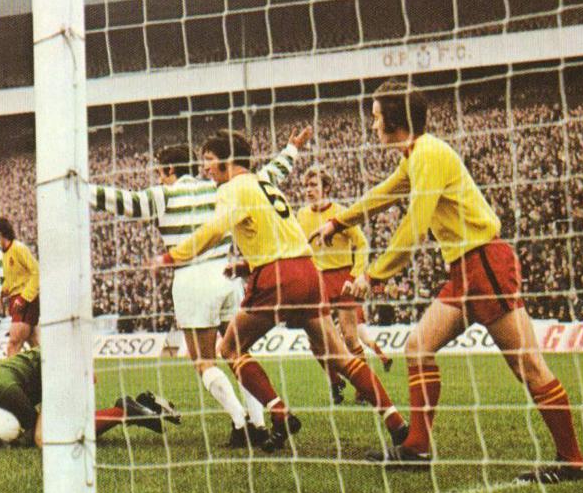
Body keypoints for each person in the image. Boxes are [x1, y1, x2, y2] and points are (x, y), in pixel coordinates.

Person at [311, 79, 583, 484]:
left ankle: (572, 461)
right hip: (465, 269)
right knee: (417, 347)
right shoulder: (416, 156)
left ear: (395, 119)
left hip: (485, 263)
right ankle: (417, 448)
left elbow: (414, 226)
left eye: (376, 117)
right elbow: (381, 195)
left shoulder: (428, 154)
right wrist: (337, 222)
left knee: (527, 366)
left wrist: (373, 274)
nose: (372, 125)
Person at [155, 129, 404, 453]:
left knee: (230, 348)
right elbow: (282, 237)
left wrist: (172, 256)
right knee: (340, 355)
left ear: (228, 161)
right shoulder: (265, 185)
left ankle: (280, 414)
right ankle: (396, 422)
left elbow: (214, 230)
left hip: (277, 277)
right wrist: (246, 266)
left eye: (210, 160)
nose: (205, 168)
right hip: (307, 271)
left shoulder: (232, 188)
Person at [91, 128, 310, 448]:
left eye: (160, 172)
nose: (159, 178)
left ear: (169, 170)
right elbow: (269, 175)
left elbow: (128, 202)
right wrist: (290, 149)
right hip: (226, 275)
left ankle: (240, 424)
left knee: (204, 361)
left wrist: (81, 189)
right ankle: (260, 423)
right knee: (238, 353)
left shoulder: (165, 194)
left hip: (192, 278)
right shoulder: (218, 186)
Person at [0, 348, 181, 447]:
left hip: (67, 365)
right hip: (57, 368)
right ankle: (143, 403)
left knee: (45, 439)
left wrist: (6, 442)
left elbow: (30, 428)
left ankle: (123, 411)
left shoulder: (2, 392)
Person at [295, 165, 393, 405]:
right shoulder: (301, 215)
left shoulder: (341, 213)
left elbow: (362, 244)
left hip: (343, 278)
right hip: (317, 279)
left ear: (326, 188)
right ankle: (334, 381)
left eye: (313, 185)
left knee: (350, 337)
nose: (308, 190)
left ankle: (364, 390)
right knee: (315, 341)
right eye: (306, 186)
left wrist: (356, 275)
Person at [0, 217, 40, 357]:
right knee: (35, 345)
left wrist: (24, 298)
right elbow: (10, 282)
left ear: (0, 233)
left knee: (13, 344)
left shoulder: (18, 248)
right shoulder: (3, 254)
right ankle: (51, 369)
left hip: (25, 301)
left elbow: (36, 271)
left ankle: (10, 372)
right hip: (16, 301)